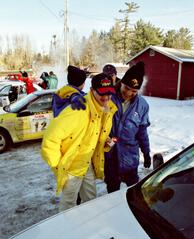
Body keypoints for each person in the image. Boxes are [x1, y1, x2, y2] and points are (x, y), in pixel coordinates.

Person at [41, 73, 117, 211]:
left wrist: (104, 142)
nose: (106, 97)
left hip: (86, 163)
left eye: (109, 93)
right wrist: (59, 165)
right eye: (102, 93)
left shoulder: (105, 109)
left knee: (91, 199)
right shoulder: (78, 110)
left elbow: (93, 133)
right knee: (68, 205)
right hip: (71, 167)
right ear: (92, 91)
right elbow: (50, 139)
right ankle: (69, 228)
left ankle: (89, 224)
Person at [104, 61, 151, 193]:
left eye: (134, 91)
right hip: (110, 157)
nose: (129, 93)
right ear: (121, 83)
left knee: (134, 193)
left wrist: (146, 152)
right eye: (126, 88)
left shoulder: (142, 106)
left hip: (130, 158)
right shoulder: (108, 98)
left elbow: (142, 132)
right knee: (113, 192)